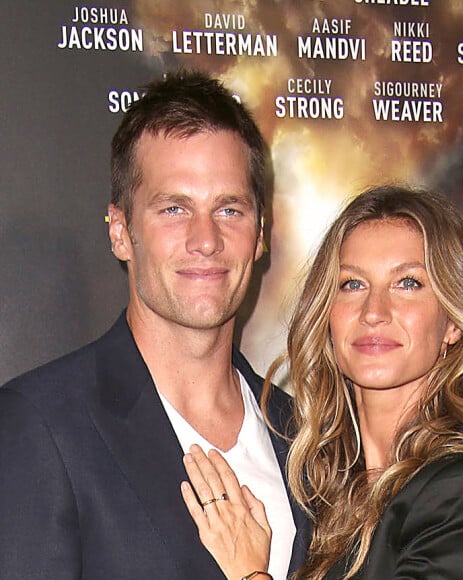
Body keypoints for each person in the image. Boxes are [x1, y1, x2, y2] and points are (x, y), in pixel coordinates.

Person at [0, 70, 307, 580]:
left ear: (259, 236)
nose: (205, 239)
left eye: (229, 209)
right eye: (174, 208)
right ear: (121, 233)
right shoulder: (44, 427)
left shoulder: (305, 439)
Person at [181, 185, 463, 579]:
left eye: (408, 283)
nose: (374, 311)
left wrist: (249, 572)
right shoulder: (328, 496)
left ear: (452, 321)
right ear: (327, 314)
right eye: (353, 284)